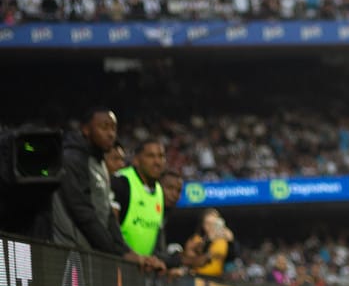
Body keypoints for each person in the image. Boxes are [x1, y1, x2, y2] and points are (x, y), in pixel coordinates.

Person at [40, 109, 163, 272]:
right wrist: (116, 252)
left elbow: (108, 216)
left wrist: (126, 252)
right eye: (104, 127)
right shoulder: (72, 158)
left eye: (113, 128)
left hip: (87, 254)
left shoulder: (100, 163)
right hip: (66, 254)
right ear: (86, 129)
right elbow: (82, 212)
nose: (111, 133)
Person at [111, 139, 167, 259]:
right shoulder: (121, 181)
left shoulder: (159, 190)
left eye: (161, 156)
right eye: (151, 156)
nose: (157, 161)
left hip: (141, 270)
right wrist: (130, 254)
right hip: (116, 263)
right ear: (136, 160)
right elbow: (110, 227)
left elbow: (156, 238)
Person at [184, 208, 232, 277]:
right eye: (208, 223)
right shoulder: (195, 239)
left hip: (217, 279)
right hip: (199, 278)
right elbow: (190, 259)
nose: (210, 227)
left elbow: (231, 258)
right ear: (202, 224)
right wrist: (209, 240)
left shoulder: (222, 241)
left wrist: (231, 242)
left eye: (214, 223)